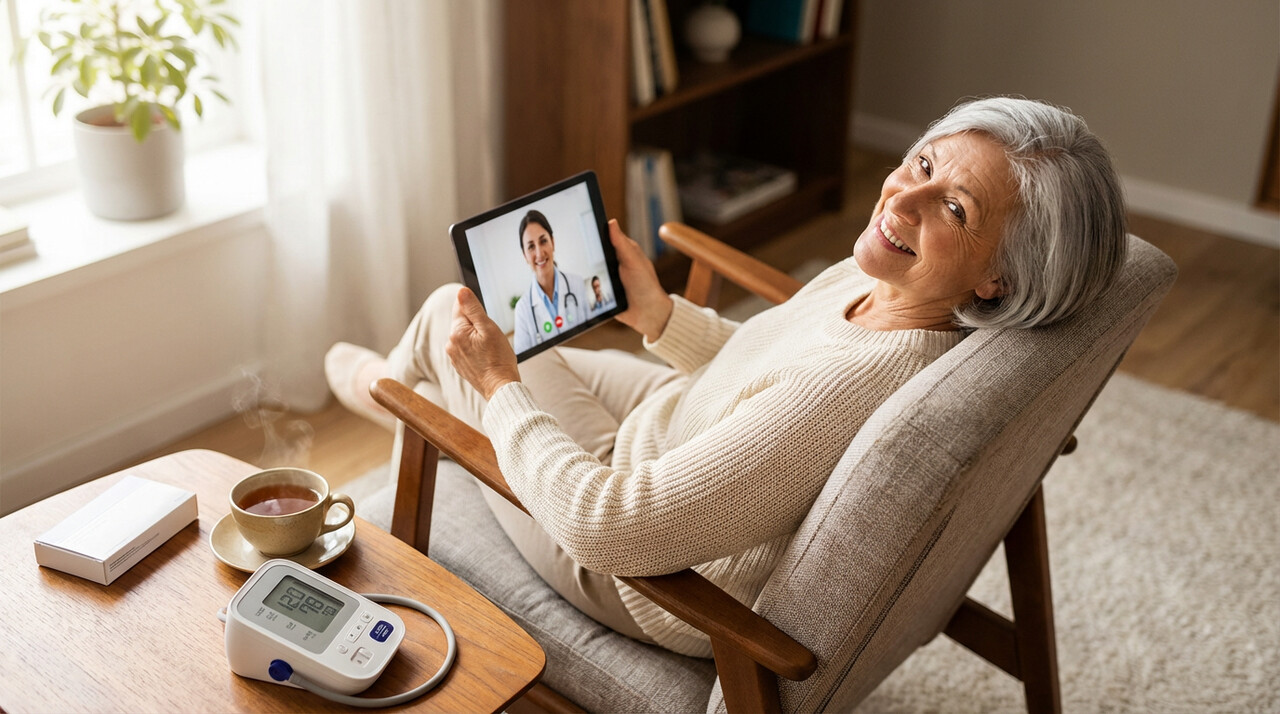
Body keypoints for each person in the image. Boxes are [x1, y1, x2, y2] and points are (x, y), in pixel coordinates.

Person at [325, 97, 1128, 657]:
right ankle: (414, 395)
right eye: (921, 162)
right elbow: (771, 366)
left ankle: (396, 400)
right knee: (502, 341)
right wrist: (660, 317)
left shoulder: (850, 395)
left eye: (955, 209)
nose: (902, 198)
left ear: (1000, 279)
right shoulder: (895, 287)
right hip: (677, 419)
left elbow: (613, 527)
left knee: (449, 318)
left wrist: (501, 389)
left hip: (640, 563)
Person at [510, 210, 588, 353]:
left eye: (543, 241)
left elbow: (593, 335)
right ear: (525, 256)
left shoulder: (577, 284)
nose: (539, 254)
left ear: (553, 242)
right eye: (531, 246)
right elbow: (524, 365)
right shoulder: (522, 309)